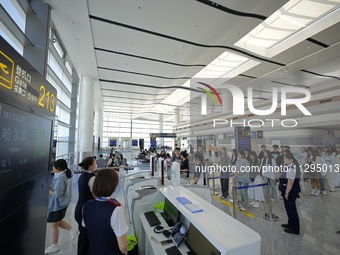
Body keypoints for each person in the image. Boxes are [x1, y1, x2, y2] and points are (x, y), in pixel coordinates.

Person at [83, 169, 128, 255]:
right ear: (114, 187)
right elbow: (123, 247)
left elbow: (88, 230)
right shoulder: (115, 210)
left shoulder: (86, 205)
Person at [45, 159, 73, 254]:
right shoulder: (65, 174)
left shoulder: (61, 178)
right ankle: (72, 229)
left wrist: (47, 191)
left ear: (58, 168)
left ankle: (54, 246)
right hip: (63, 203)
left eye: (54, 166)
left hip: (58, 205)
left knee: (53, 225)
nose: (52, 168)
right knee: (58, 221)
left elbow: (58, 194)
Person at [75, 156, 97, 255]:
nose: (96, 164)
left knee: (83, 234)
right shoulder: (91, 178)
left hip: (80, 207)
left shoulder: (82, 175)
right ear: (91, 166)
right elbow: (96, 195)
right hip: (86, 210)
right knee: (85, 237)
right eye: (95, 163)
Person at [279, 152, 301, 235]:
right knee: (288, 209)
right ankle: (290, 223)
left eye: (285, 158)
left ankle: (295, 228)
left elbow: (290, 182)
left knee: (292, 210)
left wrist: (287, 192)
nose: (284, 160)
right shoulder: (289, 166)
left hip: (290, 192)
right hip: (288, 191)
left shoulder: (292, 168)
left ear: (291, 159)